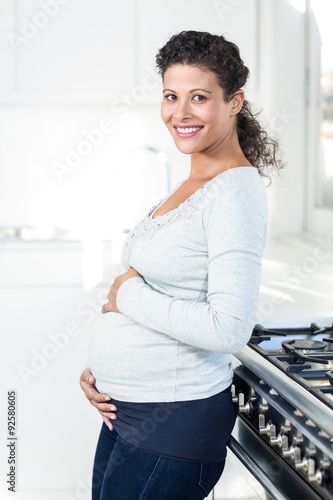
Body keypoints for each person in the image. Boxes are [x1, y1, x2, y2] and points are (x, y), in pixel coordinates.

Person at [80, 30, 283, 500]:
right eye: (172, 96)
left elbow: (229, 328)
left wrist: (127, 296)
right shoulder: (192, 182)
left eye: (199, 97)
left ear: (234, 102)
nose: (180, 112)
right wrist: (106, 372)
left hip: (171, 427)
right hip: (128, 413)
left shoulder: (233, 194)